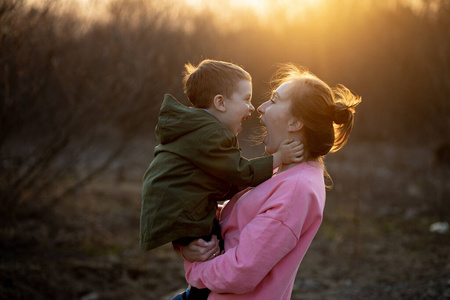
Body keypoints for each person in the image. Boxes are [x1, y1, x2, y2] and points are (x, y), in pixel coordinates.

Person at [177, 64, 361, 300]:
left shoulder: (296, 189)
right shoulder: (284, 174)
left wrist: (195, 267)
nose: (260, 108)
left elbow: (241, 272)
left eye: (274, 100)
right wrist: (190, 241)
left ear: (295, 122)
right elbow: (242, 221)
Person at [139, 60, 303, 299]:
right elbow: (240, 172)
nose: (251, 107)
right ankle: (200, 294)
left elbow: (226, 180)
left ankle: (196, 291)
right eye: (246, 99)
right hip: (182, 211)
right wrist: (278, 159)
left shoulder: (197, 128)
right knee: (213, 248)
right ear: (220, 102)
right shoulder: (212, 134)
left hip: (172, 208)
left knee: (209, 246)